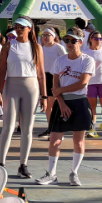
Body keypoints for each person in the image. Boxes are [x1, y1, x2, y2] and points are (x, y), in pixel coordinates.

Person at [38, 28, 94, 186]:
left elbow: (82, 83)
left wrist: (60, 91)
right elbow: (55, 85)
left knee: (79, 141)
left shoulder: (87, 60)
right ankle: (51, 173)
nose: (69, 43)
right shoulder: (60, 60)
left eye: (73, 40)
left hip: (80, 102)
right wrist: (61, 102)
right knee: (55, 140)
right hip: (61, 103)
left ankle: (74, 173)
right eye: (67, 40)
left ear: (81, 42)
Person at [0, 17, 45, 178]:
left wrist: (44, 96)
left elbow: (41, 73)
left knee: (27, 128)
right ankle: (1, 163)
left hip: (31, 87)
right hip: (12, 86)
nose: (18, 29)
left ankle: (23, 164)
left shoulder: (36, 47)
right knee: (8, 127)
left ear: (30, 29)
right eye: (16, 26)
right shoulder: (8, 46)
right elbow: (2, 71)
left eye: (22, 27)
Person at [38, 28, 68, 140]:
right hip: (44, 77)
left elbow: (65, 61)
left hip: (54, 77)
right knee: (47, 106)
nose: (45, 37)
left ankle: (57, 129)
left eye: (48, 35)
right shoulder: (42, 48)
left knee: (53, 104)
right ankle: (51, 127)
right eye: (44, 35)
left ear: (53, 36)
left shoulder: (59, 48)